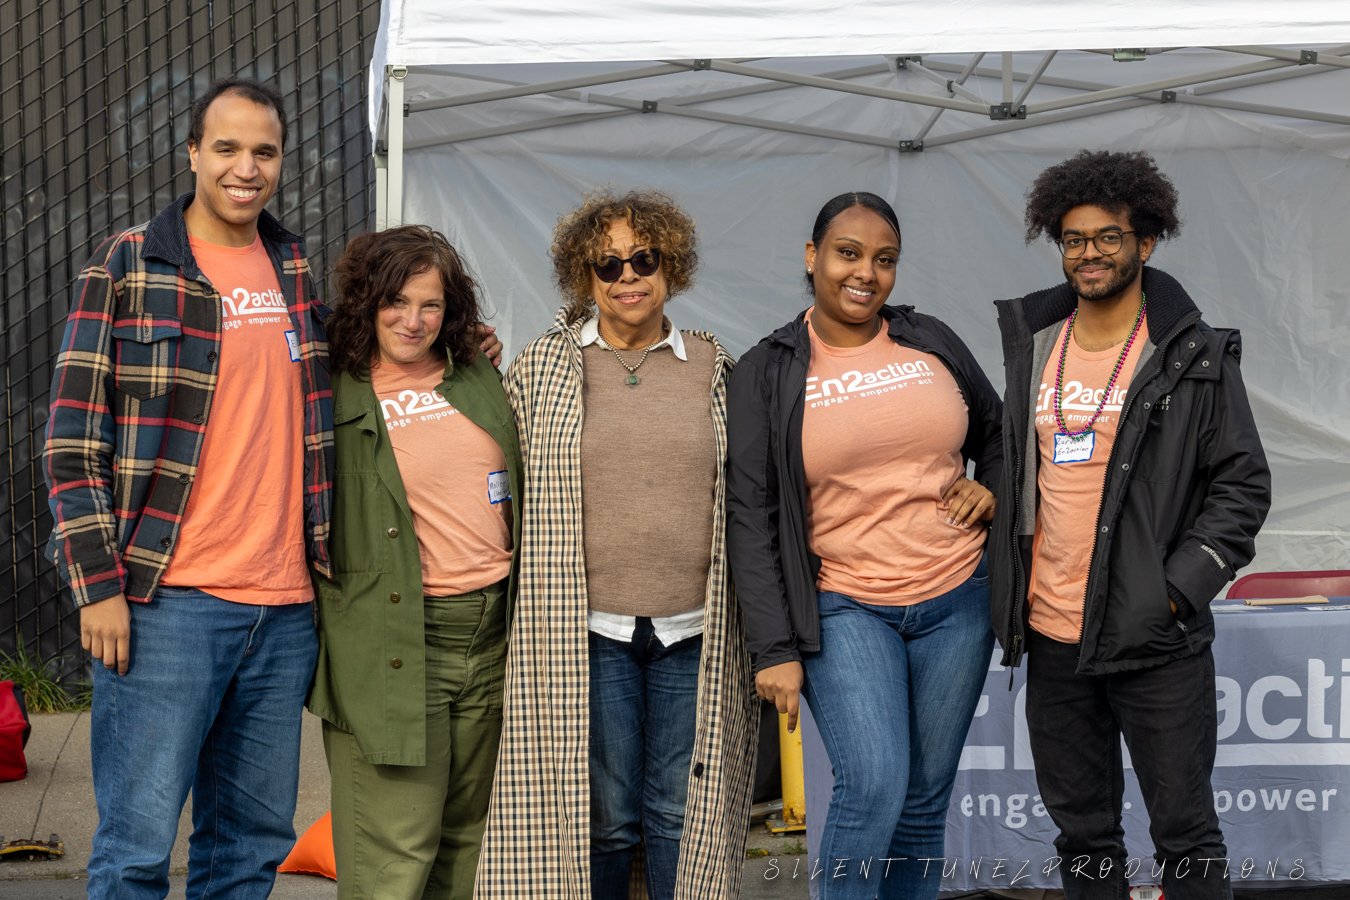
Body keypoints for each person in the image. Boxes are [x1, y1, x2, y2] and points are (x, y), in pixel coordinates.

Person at [42, 78, 331, 898]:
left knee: (248, 850)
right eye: (229, 148)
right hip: (164, 606)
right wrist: (98, 587)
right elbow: (69, 440)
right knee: (136, 850)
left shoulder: (294, 267)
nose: (248, 168)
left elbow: (348, 392)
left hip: (282, 613)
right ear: (194, 154)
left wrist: (461, 341)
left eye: (265, 151)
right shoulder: (130, 262)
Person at [988, 150, 1271, 899]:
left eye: (1108, 237)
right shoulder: (1035, 343)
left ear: (1145, 243)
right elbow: (1018, 467)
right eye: (1074, 238)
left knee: (1184, 833)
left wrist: (1175, 591)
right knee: (1082, 836)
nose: (1089, 253)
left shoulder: (1192, 354)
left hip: (1155, 640)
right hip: (1053, 639)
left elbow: (1242, 485)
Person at [475, 190, 755, 900]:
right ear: (583, 276)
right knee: (600, 819)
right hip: (587, 632)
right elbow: (487, 458)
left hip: (692, 630)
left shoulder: (714, 367)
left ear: (672, 267)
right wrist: (465, 360)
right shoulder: (543, 368)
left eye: (644, 259)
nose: (627, 276)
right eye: (608, 265)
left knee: (676, 815)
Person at [726, 191, 1003, 900]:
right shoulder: (769, 367)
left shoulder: (929, 338)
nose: (866, 273)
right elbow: (750, 513)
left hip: (957, 599)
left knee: (922, 800)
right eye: (848, 253)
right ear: (813, 256)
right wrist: (774, 649)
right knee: (874, 783)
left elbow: (997, 436)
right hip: (846, 604)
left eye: (884, 260)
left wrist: (989, 488)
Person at [307, 224, 521, 899]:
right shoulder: (331, 388)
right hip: (398, 639)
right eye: (396, 302)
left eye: (430, 304)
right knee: (393, 858)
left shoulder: (476, 372)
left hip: (489, 638)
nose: (413, 320)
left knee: (464, 845)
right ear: (366, 302)